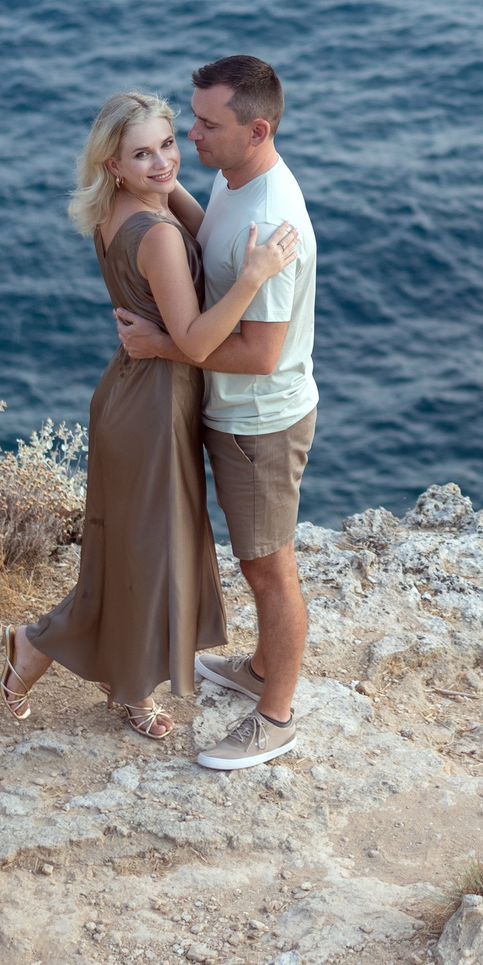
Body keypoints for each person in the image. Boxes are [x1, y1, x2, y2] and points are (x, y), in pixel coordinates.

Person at [0, 90, 298, 741]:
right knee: (147, 559)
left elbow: (194, 217)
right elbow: (193, 341)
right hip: (153, 408)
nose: (164, 160)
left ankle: (124, 685)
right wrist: (254, 276)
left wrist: (171, 181)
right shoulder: (158, 234)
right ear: (114, 163)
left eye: (168, 143)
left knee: (132, 556)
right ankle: (35, 647)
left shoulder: (124, 208)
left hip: (131, 395)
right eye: (143, 152)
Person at [115, 54, 316, 772]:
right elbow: (204, 240)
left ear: (255, 128)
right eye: (190, 121)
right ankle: (260, 669)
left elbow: (262, 354)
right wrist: (154, 190)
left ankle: (276, 714)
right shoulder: (234, 178)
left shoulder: (269, 218)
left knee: (269, 568)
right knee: (257, 559)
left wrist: (161, 343)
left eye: (205, 124)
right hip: (237, 414)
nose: (189, 135)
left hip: (260, 418)